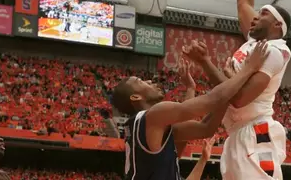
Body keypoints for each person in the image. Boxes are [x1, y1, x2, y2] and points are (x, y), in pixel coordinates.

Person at [184, 0, 291, 179]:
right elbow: (243, 1)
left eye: (262, 14)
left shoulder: (275, 51)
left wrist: (205, 63)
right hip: (237, 133)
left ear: (277, 24)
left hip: (256, 132)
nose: (254, 17)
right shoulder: (256, 42)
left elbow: (239, 99)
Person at [111, 41, 270, 180]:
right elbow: (212, 100)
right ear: (136, 97)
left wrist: (191, 88)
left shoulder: (146, 126)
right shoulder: (154, 115)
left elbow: (205, 128)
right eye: (140, 81)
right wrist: (248, 69)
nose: (149, 81)